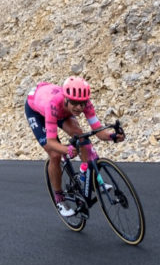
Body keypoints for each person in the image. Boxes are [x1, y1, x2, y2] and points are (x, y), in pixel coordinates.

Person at [25, 76, 123, 217]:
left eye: (82, 104)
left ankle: (88, 177)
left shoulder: (86, 104)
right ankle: (59, 198)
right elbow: (52, 142)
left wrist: (112, 136)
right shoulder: (53, 105)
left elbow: (98, 131)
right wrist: (67, 150)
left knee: (80, 135)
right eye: (75, 103)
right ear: (66, 98)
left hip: (61, 109)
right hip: (36, 108)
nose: (79, 107)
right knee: (55, 154)